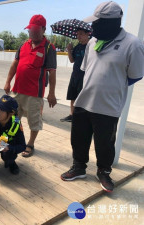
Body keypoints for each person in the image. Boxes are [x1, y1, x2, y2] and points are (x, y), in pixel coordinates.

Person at [61, 1, 144, 193]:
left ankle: (104, 172)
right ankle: (79, 167)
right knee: (79, 138)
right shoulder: (91, 42)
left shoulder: (132, 44)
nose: (92, 27)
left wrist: (111, 87)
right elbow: (86, 70)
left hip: (108, 105)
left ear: (113, 22)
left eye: (97, 23)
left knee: (105, 143)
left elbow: (135, 75)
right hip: (84, 100)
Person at [4, 14, 57, 157]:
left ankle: (30, 144)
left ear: (43, 29)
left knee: (34, 121)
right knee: (14, 118)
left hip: (34, 94)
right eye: (30, 30)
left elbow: (52, 73)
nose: (32, 32)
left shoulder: (48, 48)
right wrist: (8, 81)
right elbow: (15, 63)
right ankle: (12, 140)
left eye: (35, 30)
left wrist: (51, 93)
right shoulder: (23, 44)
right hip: (17, 91)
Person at [60, 29, 90, 122]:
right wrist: (69, 50)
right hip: (75, 75)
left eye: (81, 34)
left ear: (87, 34)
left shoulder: (91, 47)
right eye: (77, 34)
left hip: (85, 76)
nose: (78, 36)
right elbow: (72, 60)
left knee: (82, 97)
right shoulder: (77, 47)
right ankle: (72, 115)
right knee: (72, 95)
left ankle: (81, 117)